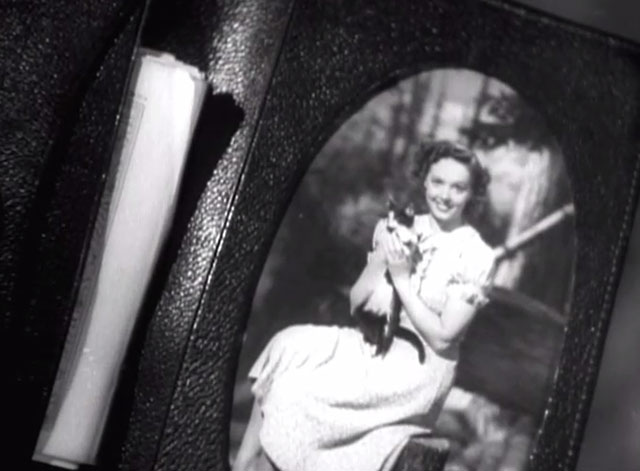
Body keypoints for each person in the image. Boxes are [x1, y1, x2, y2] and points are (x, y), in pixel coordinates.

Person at [232, 140, 495, 471]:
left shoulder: (475, 255)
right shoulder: (400, 226)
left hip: (416, 369)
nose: (445, 195)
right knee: (288, 344)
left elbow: (444, 337)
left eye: (458, 188)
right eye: (438, 181)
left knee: (295, 393)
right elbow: (358, 305)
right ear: (425, 180)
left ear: (472, 194)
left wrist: (401, 278)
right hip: (373, 343)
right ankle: (242, 462)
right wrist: (378, 264)